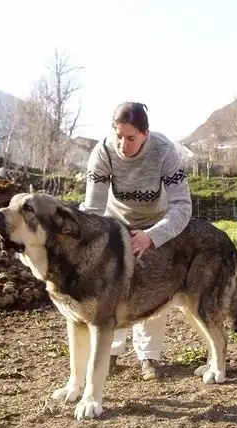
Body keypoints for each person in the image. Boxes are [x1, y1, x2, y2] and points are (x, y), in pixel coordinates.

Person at [79, 102, 192, 380]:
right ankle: (111, 353)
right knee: (110, 287)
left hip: (155, 222)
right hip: (113, 222)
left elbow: (182, 205)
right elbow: (93, 208)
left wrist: (152, 237)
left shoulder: (165, 151)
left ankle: (149, 357)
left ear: (146, 134)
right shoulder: (103, 152)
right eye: (118, 135)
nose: (122, 143)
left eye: (130, 138)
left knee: (151, 284)